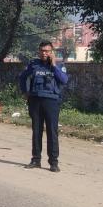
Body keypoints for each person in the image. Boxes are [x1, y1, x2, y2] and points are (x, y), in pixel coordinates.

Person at [19, 41, 69, 172]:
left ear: (52, 52)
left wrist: (53, 66)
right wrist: (25, 92)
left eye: (47, 51)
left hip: (51, 101)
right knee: (36, 131)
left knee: (52, 132)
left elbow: (64, 80)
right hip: (35, 100)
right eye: (42, 50)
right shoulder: (34, 64)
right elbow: (22, 77)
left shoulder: (59, 65)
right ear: (38, 51)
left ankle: (53, 162)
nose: (44, 53)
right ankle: (36, 160)